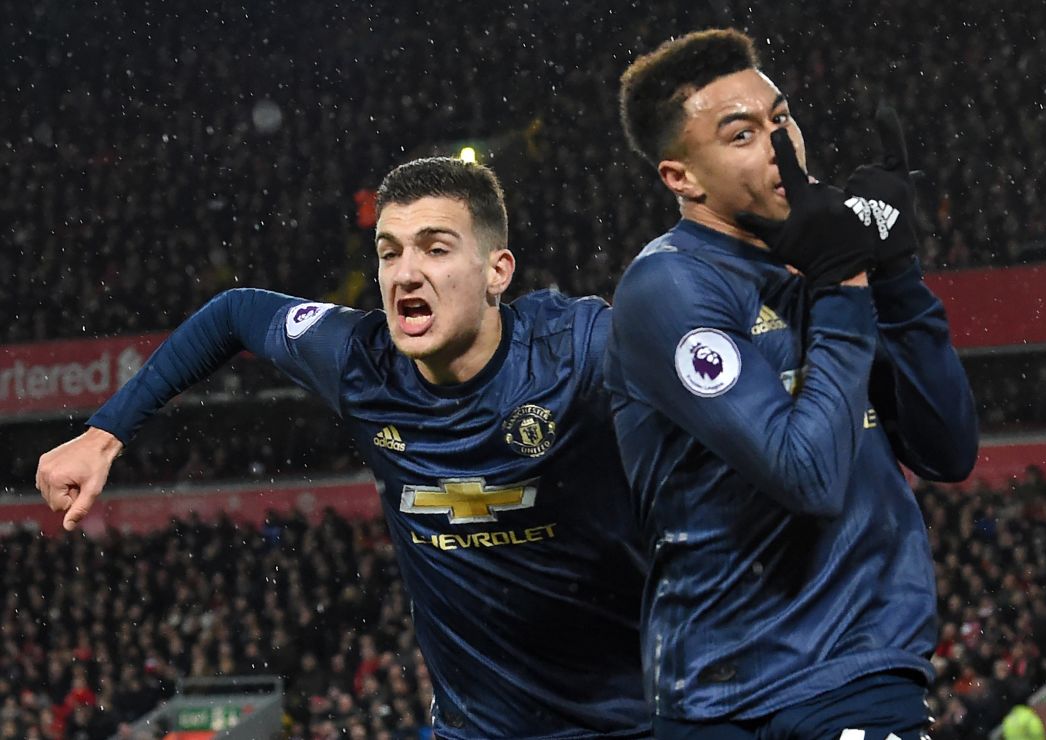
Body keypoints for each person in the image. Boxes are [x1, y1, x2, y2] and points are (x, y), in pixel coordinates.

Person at [36, 157, 651, 739]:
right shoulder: (361, 363)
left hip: (637, 720)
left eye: (436, 249)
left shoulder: (578, 349)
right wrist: (105, 433)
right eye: (390, 252)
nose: (406, 271)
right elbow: (235, 314)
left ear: (498, 270)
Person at [605, 29, 979, 738]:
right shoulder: (669, 286)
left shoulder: (822, 260)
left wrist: (896, 273)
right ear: (680, 177)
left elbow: (947, 449)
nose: (782, 146)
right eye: (742, 134)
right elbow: (805, 474)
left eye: (782, 119)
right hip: (720, 692)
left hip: (860, 672)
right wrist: (843, 281)